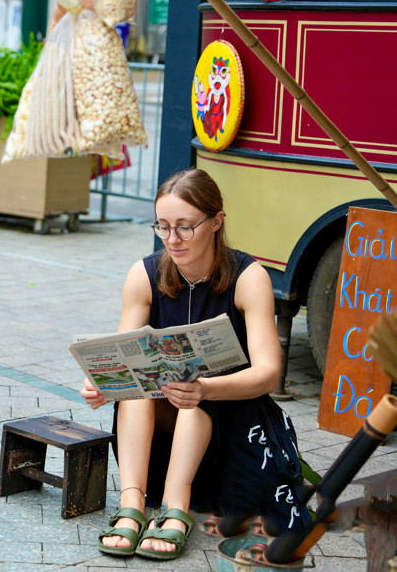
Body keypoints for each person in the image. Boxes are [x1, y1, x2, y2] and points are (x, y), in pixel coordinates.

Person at [80, 168, 311, 560]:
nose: (173, 239)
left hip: (229, 428)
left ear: (216, 221)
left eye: (186, 227)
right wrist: (105, 384)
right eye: (163, 226)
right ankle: (132, 504)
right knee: (137, 390)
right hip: (163, 436)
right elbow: (122, 352)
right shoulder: (144, 274)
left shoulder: (247, 276)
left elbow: (269, 373)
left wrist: (206, 388)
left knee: (197, 391)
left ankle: (176, 507)